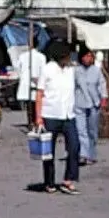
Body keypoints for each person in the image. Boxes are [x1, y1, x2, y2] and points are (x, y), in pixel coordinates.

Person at [35, 40, 80, 195]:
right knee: (49, 151)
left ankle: (68, 179)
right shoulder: (47, 69)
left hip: (68, 115)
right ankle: (49, 181)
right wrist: (38, 117)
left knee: (74, 147)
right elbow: (39, 94)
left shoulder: (71, 70)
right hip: (50, 114)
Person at [74, 48, 107, 166]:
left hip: (94, 104)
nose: (88, 58)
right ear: (81, 57)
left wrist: (103, 98)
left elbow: (102, 85)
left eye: (90, 56)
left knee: (92, 131)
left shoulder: (97, 71)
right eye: (86, 56)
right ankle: (83, 154)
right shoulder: (76, 71)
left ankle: (91, 154)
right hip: (79, 103)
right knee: (81, 130)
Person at [15, 44, 46, 129]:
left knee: (29, 105)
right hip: (37, 81)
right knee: (36, 103)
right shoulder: (42, 57)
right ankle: (35, 121)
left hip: (26, 81)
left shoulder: (22, 56)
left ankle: (31, 122)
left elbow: (17, 68)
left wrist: (21, 75)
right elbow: (43, 70)